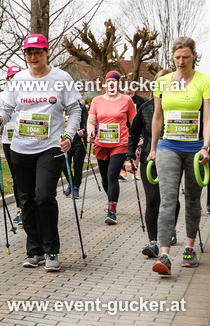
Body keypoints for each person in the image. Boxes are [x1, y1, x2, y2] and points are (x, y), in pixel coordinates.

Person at [0, 34, 82, 271]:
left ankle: (51, 250)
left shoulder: (61, 78)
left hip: (50, 146)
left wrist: (69, 136)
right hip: (20, 148)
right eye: (29, 53)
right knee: (27, 200)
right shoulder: (18, 80)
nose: (33, 57)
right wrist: (0, 118)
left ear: (46, 52)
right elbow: (8, 108)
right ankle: (34, 251)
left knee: (44, 196)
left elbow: (74, 110)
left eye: (38, 52)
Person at [148, 37, 210, 275]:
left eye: (185, 56)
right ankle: (164, 255)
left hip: (194, 149)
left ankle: (189, 247)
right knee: (167, 199)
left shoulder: (204, 81)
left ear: (194, 55)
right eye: (177, 57)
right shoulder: (162, 82)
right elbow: (157, 117)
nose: (181, 61)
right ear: (172, 58)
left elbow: (207, 117)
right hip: (168, 147)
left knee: (193, 200)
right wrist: (153, 149)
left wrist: (206, 147)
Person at [125, 90, 180, 258]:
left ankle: (169, 230)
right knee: (153, 199)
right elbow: (134, 133)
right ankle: (153, 241)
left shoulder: (179, 106)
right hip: (149, 160)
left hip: (174, 160)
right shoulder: (146, 108)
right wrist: (129, 156)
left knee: (171, 200)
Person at [87, 71, 136, 224]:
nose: (111, 84)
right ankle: (111, 201)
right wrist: (90, 131)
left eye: (114, 82)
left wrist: (136, 141)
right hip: (101, 144)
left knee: (112, 174)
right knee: (105, 179)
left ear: (118, 84)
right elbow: (90, 120)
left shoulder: (126, 100)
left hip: (120, 143)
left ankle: (111, 211)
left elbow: (133, 123)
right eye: (109, 82)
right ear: (105, 84)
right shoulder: (97, 100)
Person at [0, 64, 23, 224]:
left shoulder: (28, 95)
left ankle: (31, 205)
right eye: (11, 78)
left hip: (27, 140)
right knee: (16, 176)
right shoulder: (1, 97)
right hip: (8, 141)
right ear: (7, 80)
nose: (13, 81)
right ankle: (21, 209)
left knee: (26, 175)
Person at [64, 99, 89, 199]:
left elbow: (87, 124)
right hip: (66, 140)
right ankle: (71, 182)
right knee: (64, 164)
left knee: (77, 165)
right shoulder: (63, 107)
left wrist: (83, 131)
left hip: (79, 140)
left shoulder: (81, 108)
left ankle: (75, 188)